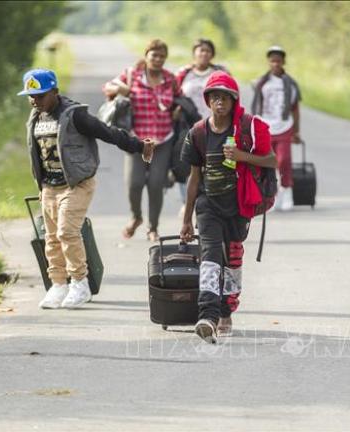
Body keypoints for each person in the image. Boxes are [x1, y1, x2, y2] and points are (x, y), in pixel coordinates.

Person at [18, 68, 154, 309]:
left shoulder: (74, 115)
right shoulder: (36, 117)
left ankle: (80, 284)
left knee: (66, 232)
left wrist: (139, 146)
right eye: (31, 96)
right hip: (49, 186)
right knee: (50, 239)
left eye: (40, 95)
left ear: (55, 92)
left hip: (77, 184)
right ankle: (58, 285)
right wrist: (40, 185)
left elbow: (107, 133)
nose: (35, 100)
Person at [180, 71, 277, 343]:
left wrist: (242, 156)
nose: (220, 102)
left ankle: (227, 310)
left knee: (232, 258)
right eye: (215, 97)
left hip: (238, 205)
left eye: (225, 97)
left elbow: (272, 161)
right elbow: (194, 178)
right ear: (208, 101)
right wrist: (187, 219)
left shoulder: (246, 129)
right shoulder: (198, 133)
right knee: (210, 257)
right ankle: (207, 316)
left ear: (234, 101)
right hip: (207, 205)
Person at [103, 39, 180, 242]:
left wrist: (178, 110)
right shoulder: (132, 75)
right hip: (136, 139)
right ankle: (136, 217)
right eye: (154, 55)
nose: (157, 59)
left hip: (163, 139)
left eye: (162, 56)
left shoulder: (170, 79)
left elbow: (180, 98)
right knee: (134, 183)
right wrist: (122, 89)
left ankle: (153, 228)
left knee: (156, 184)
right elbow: (108, 87)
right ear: (146, 56)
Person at [173, 39, 228, 213]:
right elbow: (173, 94)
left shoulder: (220, 72)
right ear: (194, 53)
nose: (204, 54)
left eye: (207, 51)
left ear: (212, 54)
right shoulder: (183, 73)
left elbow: (232, 96)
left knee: (215, 163)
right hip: (188, 126)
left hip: (215, 125)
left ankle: (213, 201)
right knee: (185, 165)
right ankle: (187, 202)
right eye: (200, 50)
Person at [251, 46, 301, 211]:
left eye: (278, 61)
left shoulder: (290, 84)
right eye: (272, 61)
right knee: (266, 163)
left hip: (284, 126)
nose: (275, 64)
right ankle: (270, 196)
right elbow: (256, 104)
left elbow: (295, 108)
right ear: (269, 62)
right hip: (265, 126)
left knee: (284, 160)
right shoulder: (262, 82)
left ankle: (286, 190)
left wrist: (296, 131)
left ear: (283, 62)